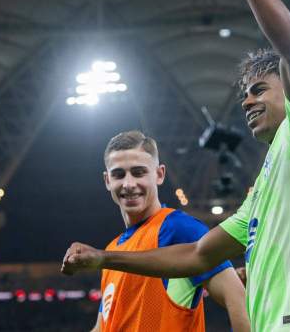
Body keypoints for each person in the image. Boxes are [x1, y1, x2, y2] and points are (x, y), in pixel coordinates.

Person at [62, 0, 290, 332]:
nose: (247, 100)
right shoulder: (269, 185)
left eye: (258, 89)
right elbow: (197, 255)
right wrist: (103, 258)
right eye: (244, 94)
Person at [82, 130, 249, 332]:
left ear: (159, 174)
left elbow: (237, 297)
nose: (128, 183)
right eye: (119, 174)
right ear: (107, 180)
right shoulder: (111, 252)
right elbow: (102, 327)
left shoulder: (178, 228)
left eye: (138, 172)